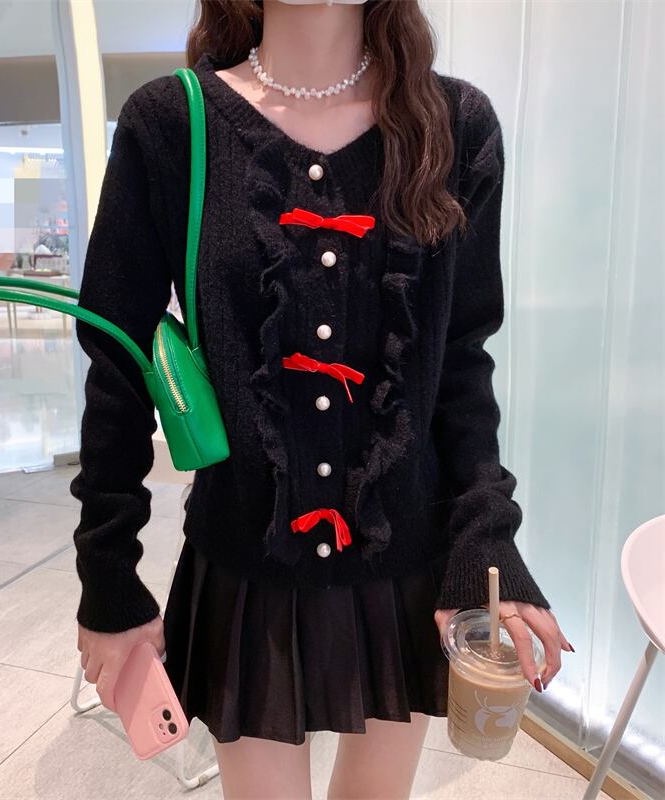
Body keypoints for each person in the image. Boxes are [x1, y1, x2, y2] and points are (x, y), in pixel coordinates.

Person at [71, 1, 574, 797]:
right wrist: (108, 576)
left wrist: (484, 539)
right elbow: (118, 360)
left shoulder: (454, 125)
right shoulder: (171, 123)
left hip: (403, 564)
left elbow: (458, 363)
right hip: (246, 570)